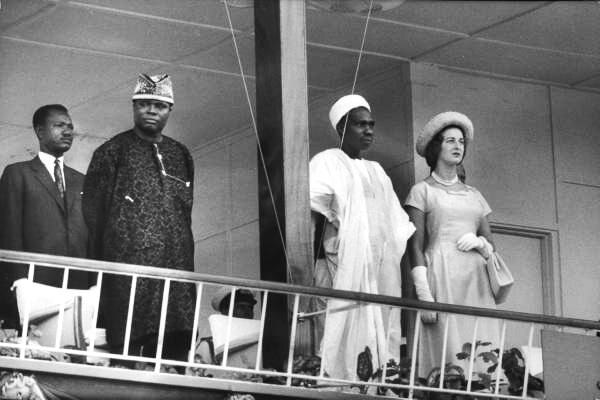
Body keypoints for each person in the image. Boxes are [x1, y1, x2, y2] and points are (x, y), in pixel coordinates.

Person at [82, 74, 195, 364]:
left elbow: (186, 213)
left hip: (176, 269)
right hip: (128, 270)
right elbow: (93, 216)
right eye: (144, 104)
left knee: (175, 349)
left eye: (159, 105)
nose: (152, 111)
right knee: (128, 346)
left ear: (170, 110)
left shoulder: (180, 154)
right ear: (133, 107)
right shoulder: (112, 152)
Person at [309, 94, 415, 385]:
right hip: (341, 265)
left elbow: (397, 226)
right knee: (341, 326)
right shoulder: (326, 161)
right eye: (360, 124)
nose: (368, 130)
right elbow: (314, 216)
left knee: (381, 326)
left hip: (380, 269)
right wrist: (312, 268)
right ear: (342, 128)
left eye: (371, 124)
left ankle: (378, 385)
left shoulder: (377, 171)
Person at [404, 111, 500, 379]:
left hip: (475, 281)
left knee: (480, 350)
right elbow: (416, 246)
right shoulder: (421, 191)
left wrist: (480, 244)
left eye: (461, 141)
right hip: (442, 275)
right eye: (450, 141)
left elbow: (491, 244)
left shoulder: (475, 195)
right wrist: (424, 294)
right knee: (447, 353)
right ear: (436, 147)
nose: (458, 146)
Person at [0, 104, 91, 329]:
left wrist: (92, 284)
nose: (68, 131)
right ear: (40, 132)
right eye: (59, 125)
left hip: (77, 286)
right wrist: (18, 281)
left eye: (70, 127)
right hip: (32, 283)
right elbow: (9, 230)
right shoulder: (17, 173)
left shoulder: (82, 180)